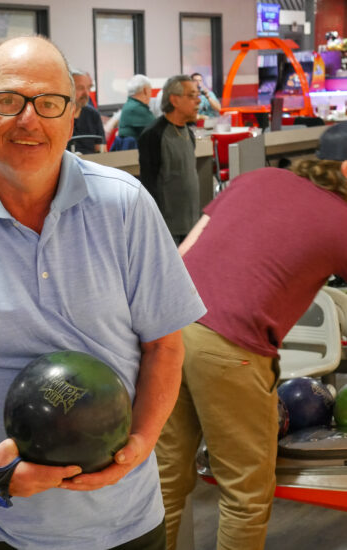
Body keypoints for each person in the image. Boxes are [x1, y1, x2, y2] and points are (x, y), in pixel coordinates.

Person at [0, 35, 206, 550]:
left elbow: (164, 345)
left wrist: (140, 444)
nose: (28, 119)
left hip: (126, 518)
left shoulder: (125, 207)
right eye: (7, 100)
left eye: (49, 102)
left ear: (73, 114)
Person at [156, 121, 347, 550]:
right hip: (230, 347)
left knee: (165, 480)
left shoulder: (257, 179)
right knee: (245, 493)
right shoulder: (342, 220)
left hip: (165, 327)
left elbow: (183, 253)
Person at [137, 75, 201, 244]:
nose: (198, 101)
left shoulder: (189, 132)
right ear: (174, 100)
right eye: (192, 95)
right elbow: (148, 185)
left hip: (191, 224)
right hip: (167, 229)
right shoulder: (154, 135)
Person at [69, 69, 107, 154]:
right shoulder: (58, 116)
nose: (86, 93)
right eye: (80, 88)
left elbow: (102, 152)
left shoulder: (93, 115)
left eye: (88, 88)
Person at [116, 74, 155, 145]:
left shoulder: (130, 105)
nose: (151, 94)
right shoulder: (136, 109)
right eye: (150, 90)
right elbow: (158, 130)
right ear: (145, 90)